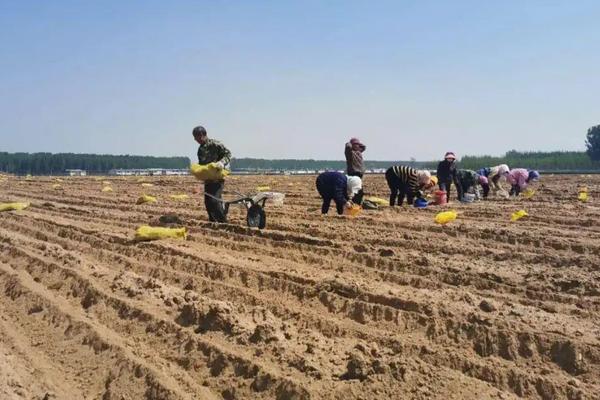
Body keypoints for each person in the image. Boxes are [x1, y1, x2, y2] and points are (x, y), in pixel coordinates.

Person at [193, 126, 232, 223]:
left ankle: (223, 223)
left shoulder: (215, 144)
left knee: (215, 201)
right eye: (194, 138)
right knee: (208, 203)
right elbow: (202, 165)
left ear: (202, 135)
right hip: (208, 180)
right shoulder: (200, 149)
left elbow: (228, 154)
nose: (195, 140)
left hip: (217, 179)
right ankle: (213, 223)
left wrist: (222, 163)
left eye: (196, 137)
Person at [345, 137, 366, 204]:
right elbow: (347, 147)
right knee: (357, 190)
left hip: (359, 173)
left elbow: (364, 147)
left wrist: (358, 143)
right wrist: (350, 143)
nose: (357, 145)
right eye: (355, 144)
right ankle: (354, 203)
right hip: (353, 173)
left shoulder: (359, 152)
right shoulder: (350, 153)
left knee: (358, 190)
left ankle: (356, 203)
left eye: (358, 144)